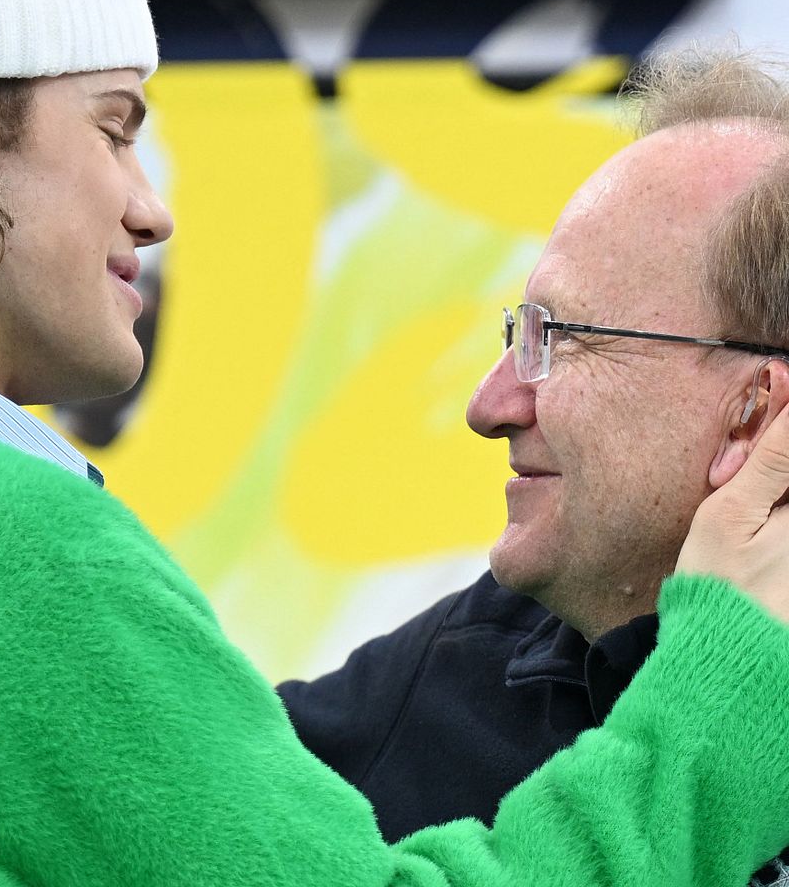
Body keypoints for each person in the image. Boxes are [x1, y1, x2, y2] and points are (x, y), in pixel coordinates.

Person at [0, 0, 787, 883]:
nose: (151, 210)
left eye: (557, 340)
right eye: (113, 128)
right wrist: (724, 706)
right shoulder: (12, 557)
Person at [279, 50, 789, 884]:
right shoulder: (436, 687)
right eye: (521, 332)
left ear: (756, 412)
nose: (490, 405)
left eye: (560, 337)